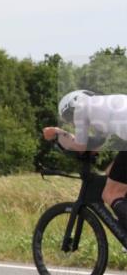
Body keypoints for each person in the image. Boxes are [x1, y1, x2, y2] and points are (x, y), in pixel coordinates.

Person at [43, 89, 127, 230]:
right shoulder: (104, 107)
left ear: (71, 107)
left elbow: (80, 147)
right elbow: (95, 146)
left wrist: (57, 133)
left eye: (69, 118)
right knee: (110, 172)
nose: (73, 123)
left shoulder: (81, 108)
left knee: (110, 193)